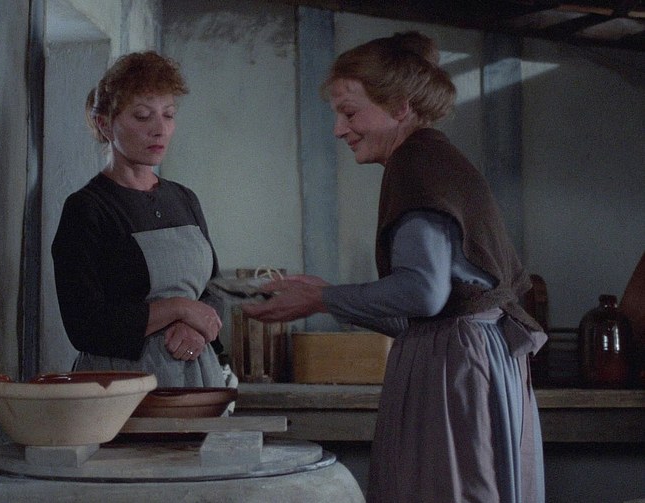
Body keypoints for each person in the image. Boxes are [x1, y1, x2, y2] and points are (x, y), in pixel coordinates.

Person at [243, 32, 546, 502]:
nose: (339, 130)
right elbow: (428, 311)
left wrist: (321, 298)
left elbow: (423, 294)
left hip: (457, 367)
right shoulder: (433, 156)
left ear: (401, 107)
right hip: (473, 356)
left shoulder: (415, 163)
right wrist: (326, 297)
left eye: (350, 113)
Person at [51, 51, 225, 388]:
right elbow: (85, 326)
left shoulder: (184, 199)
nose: (160, 129)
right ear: (105, 124)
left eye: (168, 115)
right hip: (121, 387)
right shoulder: (87, 209)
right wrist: (177, 308)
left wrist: (196, 327)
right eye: (143, 116)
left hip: (198, 379)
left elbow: (214, 290)